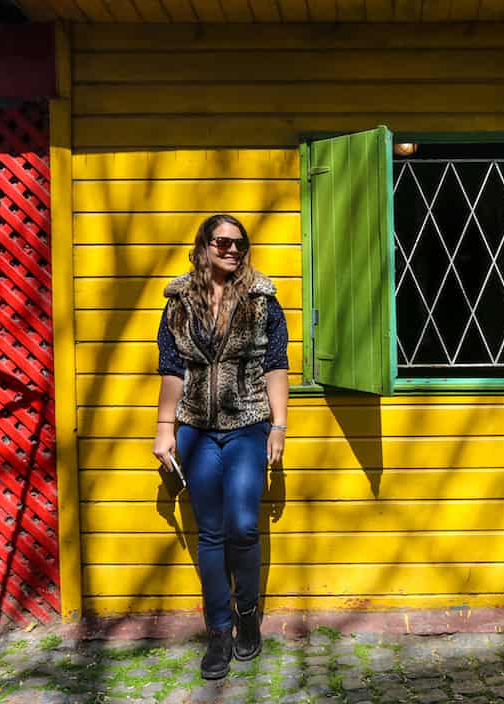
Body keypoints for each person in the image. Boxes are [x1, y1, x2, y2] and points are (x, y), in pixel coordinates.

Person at [152, 213, 289, 680]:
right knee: (210, 533)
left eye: (238, 243)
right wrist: (164, 427)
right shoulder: (179, 301)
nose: (231, 250)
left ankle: (248, 614)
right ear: (204, 246)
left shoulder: (262, 300)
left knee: (244, 528)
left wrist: (279, 426)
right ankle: (219, 631)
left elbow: (276, 364)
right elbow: (171, 367)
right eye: (221, 242)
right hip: (195, 428)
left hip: (248, 423)